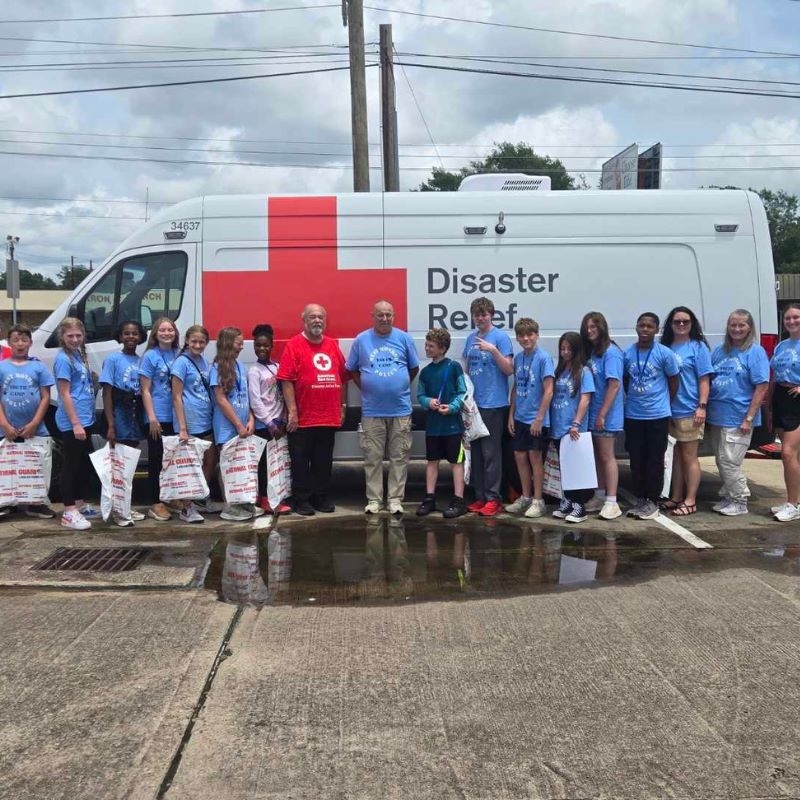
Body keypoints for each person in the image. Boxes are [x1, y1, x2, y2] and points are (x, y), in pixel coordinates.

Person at [346, 300, 419, 515]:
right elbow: (352, 369)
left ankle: (395, 500)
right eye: (381, 315)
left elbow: (413, 368)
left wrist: (398, 385)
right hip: (372, 411)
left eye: (389, 315)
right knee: (372, 458)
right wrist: (368, 387)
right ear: (373, 315)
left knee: (399, 457)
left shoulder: (404, 338)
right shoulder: (361, 340)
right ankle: (374, 500)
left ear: (393, 316)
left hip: (400, 410)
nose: (385, 319)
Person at [277, 304, 348, 516]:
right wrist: (292, 412)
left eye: (320, 317)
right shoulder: (294, 345)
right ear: (304, 321)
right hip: (303, 417)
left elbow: (342, 377)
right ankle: (301, 498)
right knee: (300, 461)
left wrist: (342, 406)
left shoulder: (332, 345)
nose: (317, 321)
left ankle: (321, 496)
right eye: (312, 317)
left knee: (323, 460)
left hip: (328, 415)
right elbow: (287, 380)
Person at [708, 309, 769, 516]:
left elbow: (761, 386)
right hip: (718, 415)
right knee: (720, 460)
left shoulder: (755, 352)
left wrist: (749, 418)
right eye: (733, 325)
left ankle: (740, 499)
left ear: (749, 327)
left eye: (741, 325)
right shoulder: (719, 351)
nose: (736, 329)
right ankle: (728, 496)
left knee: (729, 461)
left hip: (739, 416)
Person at [623, 312, 679, 520]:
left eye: (649, 326)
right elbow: (626, 380)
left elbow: (674, 381)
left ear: (656, 330)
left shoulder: (664, 354)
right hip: (634, 416)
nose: (645, 329)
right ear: (636, 328)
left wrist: (665, 403)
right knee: (636, 459)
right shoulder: (629, 353)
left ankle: (653, 501)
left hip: (657, 415)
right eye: (641, 325)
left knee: (654, 460)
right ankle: (641, 498)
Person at [660, 306, 714, 517]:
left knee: (690, 457)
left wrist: (702, 406)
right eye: (677, 322)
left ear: (692, 325)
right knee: (675, 456)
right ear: (670, 325)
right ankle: (676, 496)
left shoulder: (698, 347)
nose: (681, 325)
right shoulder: (666, 347)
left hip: (690, 410)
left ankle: (690, 500)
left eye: (685, 322)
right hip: (668, 410)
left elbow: (704, 379)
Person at [462, 296, 513, 516]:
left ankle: (494, 498)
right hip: (475, 405)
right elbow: (466, 367)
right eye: (477, 315)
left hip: (494, 404)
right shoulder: (470, 338)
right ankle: (480, 496)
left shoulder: (500, 338)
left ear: (491, 314)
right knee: (478, 454)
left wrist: (492, 350)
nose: (481, 318)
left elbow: (509, 369)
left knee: (492, 453)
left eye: (484, 314)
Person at [0, 324, 56, 520]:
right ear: (9, 343)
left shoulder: (38, 367)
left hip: (36, 429)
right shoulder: (2, 367)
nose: (20, 344)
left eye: (24, 340)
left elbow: (45, 397)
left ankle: (37, 503)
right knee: (6, 467)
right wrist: (5, 425)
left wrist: (34, 423)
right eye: (16, 340)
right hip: (5, 429)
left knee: (38, 465)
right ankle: (5, 503)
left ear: (31, 343)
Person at [53, 317, 100, 530]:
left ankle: (80, 504)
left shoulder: (79, 355)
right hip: (73, 421)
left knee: (83, 464)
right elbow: (64, 393)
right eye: (70, 336)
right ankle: (69, 511)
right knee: (70, 466)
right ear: (62, 337)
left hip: (85, 418)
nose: (74, 339)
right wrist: (75, 423)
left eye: (78, 335)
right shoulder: (63, 359)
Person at [504, 317, 554, 519]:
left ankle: (538, 500)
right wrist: (511, 414)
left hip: (536, 419)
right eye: (521, 335)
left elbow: (549, 389)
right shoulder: (518, 358)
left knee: (535, 459)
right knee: (519, 457)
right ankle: (525, 497)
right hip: (521, 417)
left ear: (537, 335)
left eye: (530, 334)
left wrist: (540, 418)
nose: (526, 338)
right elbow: (516, 387)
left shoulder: (543, 358)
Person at [416, 328, 467, 518]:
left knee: (456, 462)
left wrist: (452, 407)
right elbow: (420, 395)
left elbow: (462, 392)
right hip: (433, 426)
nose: (427, 348)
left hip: (452, 425)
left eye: (431, 346)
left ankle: (458, 499)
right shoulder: (426, 372)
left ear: (442, 348)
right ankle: (429, 498)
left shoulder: (453, 367)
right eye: (426, 345)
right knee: (432, 461)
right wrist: (428, 402)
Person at [99, 320, 147, 526]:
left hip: (134, 414)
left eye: (134, 334)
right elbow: (107, 394)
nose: (130, 337)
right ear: (120, 336)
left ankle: (126, 507)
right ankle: (117, 509)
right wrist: (111, 424)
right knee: (117, 466)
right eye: (126, 333)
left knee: (129, 467)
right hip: (119, 413)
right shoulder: (112, 360)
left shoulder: (140, 361)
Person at [211, 326, 261, 522]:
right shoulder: (217, 368)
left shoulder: (240, 365)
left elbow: (245, 396)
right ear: (227, 343)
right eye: (238, 342)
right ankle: (229, 505)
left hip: (243, 425)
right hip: (227, 426)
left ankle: (244, 502)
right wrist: (238, 425)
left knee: (243, 465)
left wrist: (250, 419)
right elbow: (221, 399)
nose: (241, 345)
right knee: (229, 466)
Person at [171, 324, 219, 522]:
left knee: (210, 460)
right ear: (187, 341)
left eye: (202, 342)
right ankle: (186, 508)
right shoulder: (181, 363)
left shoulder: (204, 362)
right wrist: (182, 427)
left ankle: (199, 499)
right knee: (190, 466)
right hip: (189, 422)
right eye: (194, 341)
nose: (198, 345)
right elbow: (176, 396)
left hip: (204, 419)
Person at [580, 312, 624, 520]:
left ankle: (612, 501)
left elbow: (614, 385)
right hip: (594, 413)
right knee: (597, 457)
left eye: (593, 327)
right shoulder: (593, 353)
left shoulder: (611, 353)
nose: (590, 331)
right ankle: (599, 494)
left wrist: (603, 414)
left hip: (606, 414)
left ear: (602, 327)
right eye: (587, 327)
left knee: (607, 456)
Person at [549, 332, 595, 523]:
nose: (565, 352)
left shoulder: (583, 371)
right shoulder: (560, 370)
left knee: (576, 469)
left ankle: (580, 506)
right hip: (558, 427)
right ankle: (567, 500)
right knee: (564, 468)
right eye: (562, 348)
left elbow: (585, 399)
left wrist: (576, 423)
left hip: (574, 429)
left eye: (569, 348)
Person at [139, 317, 180, 521]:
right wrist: (152, 417)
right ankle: (155, 503)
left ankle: (169, 497)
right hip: (158, 416)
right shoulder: (150, 356)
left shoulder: (179, 354)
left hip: (175, 416)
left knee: (171, 461)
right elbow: (145, 390)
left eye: (170, 330)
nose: (166, 333)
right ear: (155, 333)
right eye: (162, 330)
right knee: (156, 460)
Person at [248, 323, 291, 515]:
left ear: (271, 346)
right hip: (264, 425)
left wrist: (282, 419)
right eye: (258, 345)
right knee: (264, 465)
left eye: (265, 345)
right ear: (254, 347)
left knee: (277, 463)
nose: (262, 349)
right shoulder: (254, 371)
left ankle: (277, 496)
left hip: (279, 423)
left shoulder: (277, 366)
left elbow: (282, 394)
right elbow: (255, 401)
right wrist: (269, 423)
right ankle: (264, 499)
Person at [770, 303, 800, 522]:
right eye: (788, 318)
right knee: (793, 456)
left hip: (797, 398)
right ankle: (793, 500)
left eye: (796, 318)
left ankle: (792, 504)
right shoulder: (781, 346)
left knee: (788, 452)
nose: (791, 321)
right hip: (781, 398)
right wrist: (769, 406)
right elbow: (774, 376)